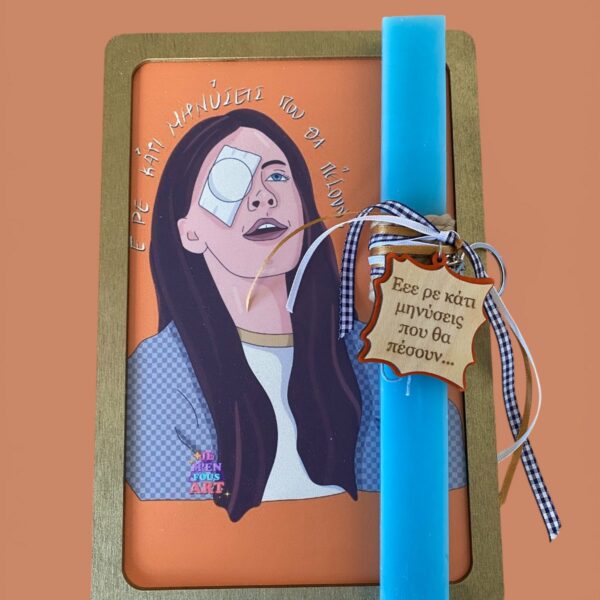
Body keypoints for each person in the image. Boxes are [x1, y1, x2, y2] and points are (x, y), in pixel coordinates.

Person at [125, 108, 466, 522]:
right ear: (189, 232)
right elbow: (175, 520)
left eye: (277, 176)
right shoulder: (159, 375)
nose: (263, 197)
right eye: (230, 180)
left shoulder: (375, 357)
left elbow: (449, 475)